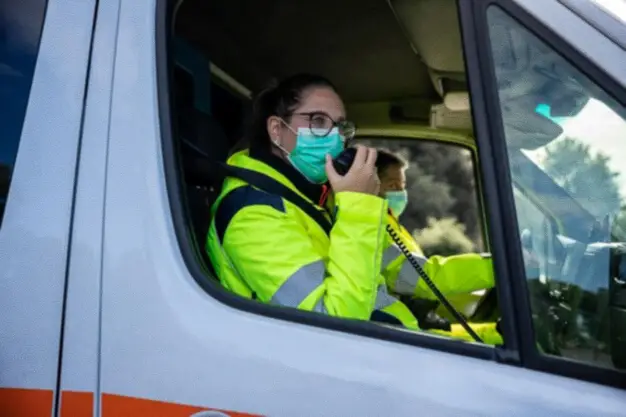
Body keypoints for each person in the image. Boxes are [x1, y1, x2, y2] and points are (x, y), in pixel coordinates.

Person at [206, 73, 420, 329]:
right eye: (318, 121)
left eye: (340, 126)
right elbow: (335, 325)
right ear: (277, 130)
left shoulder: (313, 199)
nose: (335, 138)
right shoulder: (253, 213)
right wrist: (358, 207)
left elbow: (392, 274)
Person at [375, 148, 502, 344]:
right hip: (397, 332)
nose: (401, 193)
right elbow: (425, 279)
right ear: (366, 185)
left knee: (497, 333)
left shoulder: (390, 224)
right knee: (499, 338)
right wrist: (499, 267)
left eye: (402, 186)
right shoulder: (373, 229)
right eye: (393, 186)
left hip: (410, 322)